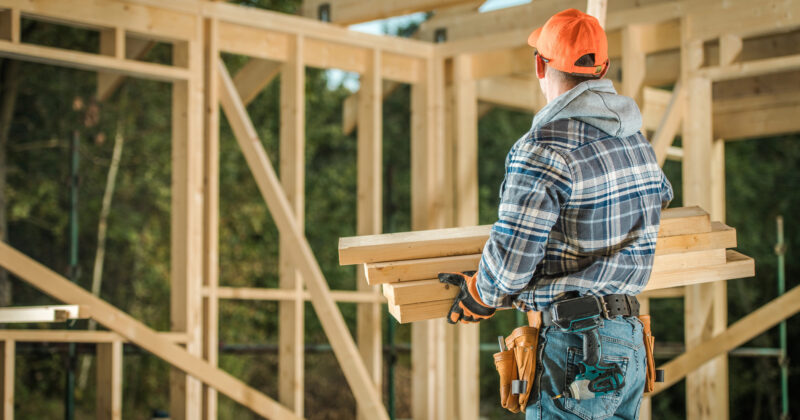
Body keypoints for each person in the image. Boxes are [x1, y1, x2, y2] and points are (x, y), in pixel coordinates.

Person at [438, 8, 673, 419]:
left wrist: (480, 294)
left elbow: (511, 261)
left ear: (540, 65)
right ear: (604, 69)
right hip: (630, 341)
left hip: (577, 347)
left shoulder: (543, 148)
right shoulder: (637, 142)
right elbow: (661, 196)